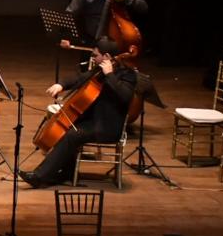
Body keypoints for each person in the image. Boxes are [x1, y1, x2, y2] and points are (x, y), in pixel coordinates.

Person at [19, 37, 137, 188]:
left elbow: (125, 96)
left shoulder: (128, 74)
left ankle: (39, 176)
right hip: (92, 120)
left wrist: (109, 75)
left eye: (95, 55)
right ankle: (67, 171)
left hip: (108, 126)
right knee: (66, 128)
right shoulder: (99, 70)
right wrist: (61, 84)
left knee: (72, 135)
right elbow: (80, 78)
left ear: (107, 56)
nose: (93, 58)